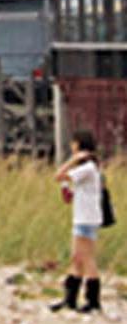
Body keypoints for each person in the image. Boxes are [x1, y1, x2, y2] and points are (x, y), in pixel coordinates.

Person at [52, 131, 106, 314]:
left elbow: (58, 175)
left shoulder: (88, 167)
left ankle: (93, 300)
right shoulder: (89, 169)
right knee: (77, 257)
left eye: (74, 143)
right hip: (83, 216)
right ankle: (70, 299)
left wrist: (72, 160)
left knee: (86, 257)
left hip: (86, 218)